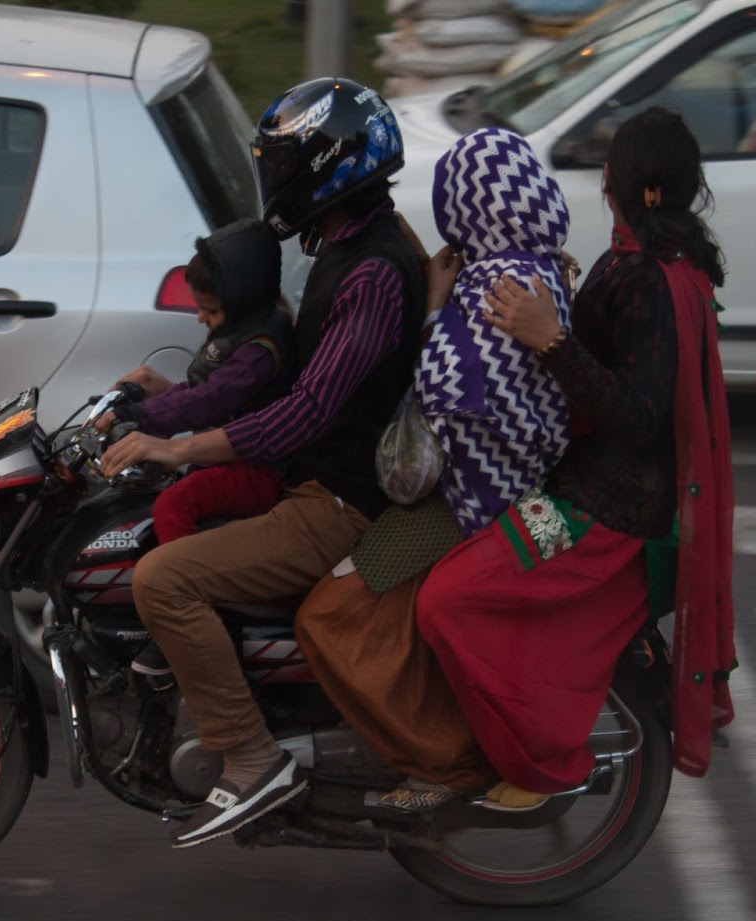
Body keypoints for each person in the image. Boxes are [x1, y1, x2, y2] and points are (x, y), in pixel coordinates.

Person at [98, 77, 424, 848]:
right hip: (310, 480)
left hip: (336, 501)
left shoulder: (373, 274)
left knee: (163, 580)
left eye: (282, 166)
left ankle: (251, 756)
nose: (274, 182)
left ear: (327, 167)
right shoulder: (350, 246)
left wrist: (178, 446)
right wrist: (171, 408)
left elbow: (308, 409)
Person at [416, 106, 737, 811]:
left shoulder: (651, 279)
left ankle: (540, 762)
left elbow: (640, 416)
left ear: (620, 183)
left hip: (603, 511)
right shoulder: (635, 261)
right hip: (585, 486)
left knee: (449, 600)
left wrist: (553, 341)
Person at [292, 126, 578, 813]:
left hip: (465, 501)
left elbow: (452, 394)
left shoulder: (501, 286)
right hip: (504, 486)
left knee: (327, 617)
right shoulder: (532, 267)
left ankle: (443, 766)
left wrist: (425, 315)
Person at [94, 220, 299, 678]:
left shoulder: (261, 348)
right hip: (228, 452)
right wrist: (147, 391)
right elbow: (203, 391)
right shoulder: (245, 331)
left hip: (259, 468)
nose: (201, 319)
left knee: (174, 504)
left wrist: (143, 416)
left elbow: (212, 400)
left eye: (210, 310)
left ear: (241, 302)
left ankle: (192, 612)